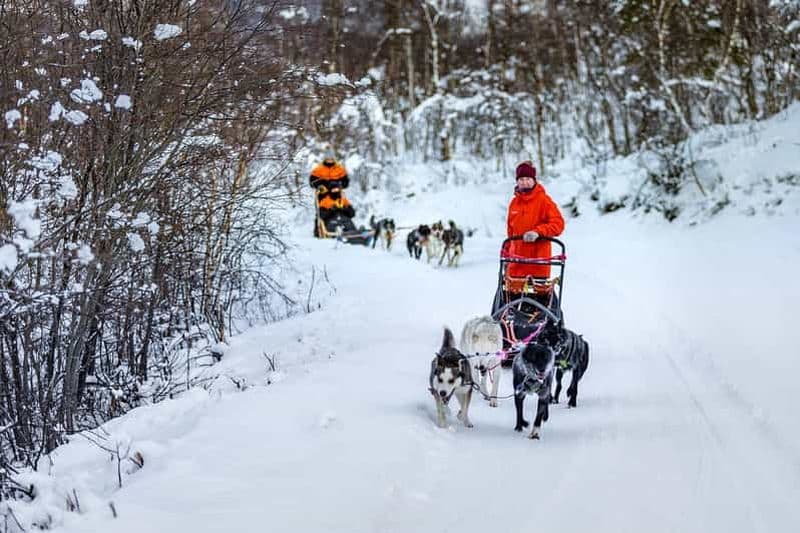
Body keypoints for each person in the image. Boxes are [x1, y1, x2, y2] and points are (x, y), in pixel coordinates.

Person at [506, 161, 565, 280]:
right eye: (521, 179)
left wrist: (538, 232)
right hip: (516, 264)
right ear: (517, 181)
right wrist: (506, 256)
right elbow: (510, 232)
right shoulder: (514, 204)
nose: (524, 182)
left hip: (538, 264)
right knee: (508, 297)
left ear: (534, 180)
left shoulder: (544, 201)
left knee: (540, 298)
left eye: (528, 178)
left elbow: (558, 223)